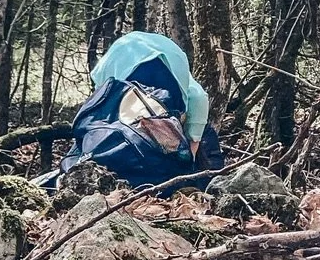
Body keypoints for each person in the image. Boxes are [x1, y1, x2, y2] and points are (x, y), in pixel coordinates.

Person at [55, 30, 225, 191]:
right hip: (143, 85)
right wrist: (187, 170)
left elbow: (95, 117)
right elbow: (192, 144)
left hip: (136, 76)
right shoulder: (191, 95)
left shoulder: (111, 77)